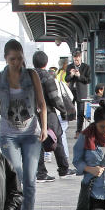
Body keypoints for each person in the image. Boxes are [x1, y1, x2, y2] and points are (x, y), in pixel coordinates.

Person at [0, 39, 49, 210]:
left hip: (31, 133)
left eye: (19, 58)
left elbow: (42, 103)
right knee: (16, 174)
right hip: (8, 135)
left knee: (30, 177)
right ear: (6, 58)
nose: (16, 62)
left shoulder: (32, 76)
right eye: (12, 59)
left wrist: (45, 127)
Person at [32, 50, 70, 182]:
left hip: (32, 114)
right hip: (48, 112)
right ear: (46, 62)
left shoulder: (29, 76)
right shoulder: (47, 77)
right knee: (56, 138)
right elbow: (54, 97)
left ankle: (40, 172)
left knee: (37, 141)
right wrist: (63, 111)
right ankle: (64, 169)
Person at [66, 49, 92, 133]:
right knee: (69, 111)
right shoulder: (70, 67)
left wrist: (79, 76)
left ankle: (78, 131)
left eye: (77, 60)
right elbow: (66, 79)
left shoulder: (86, 67)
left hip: (81, 93)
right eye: (74, 60)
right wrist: (71, 74)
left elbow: (88, 80)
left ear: (80, 58)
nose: (76, 62)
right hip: (71, 92)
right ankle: (66, 127)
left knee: (80, 112)